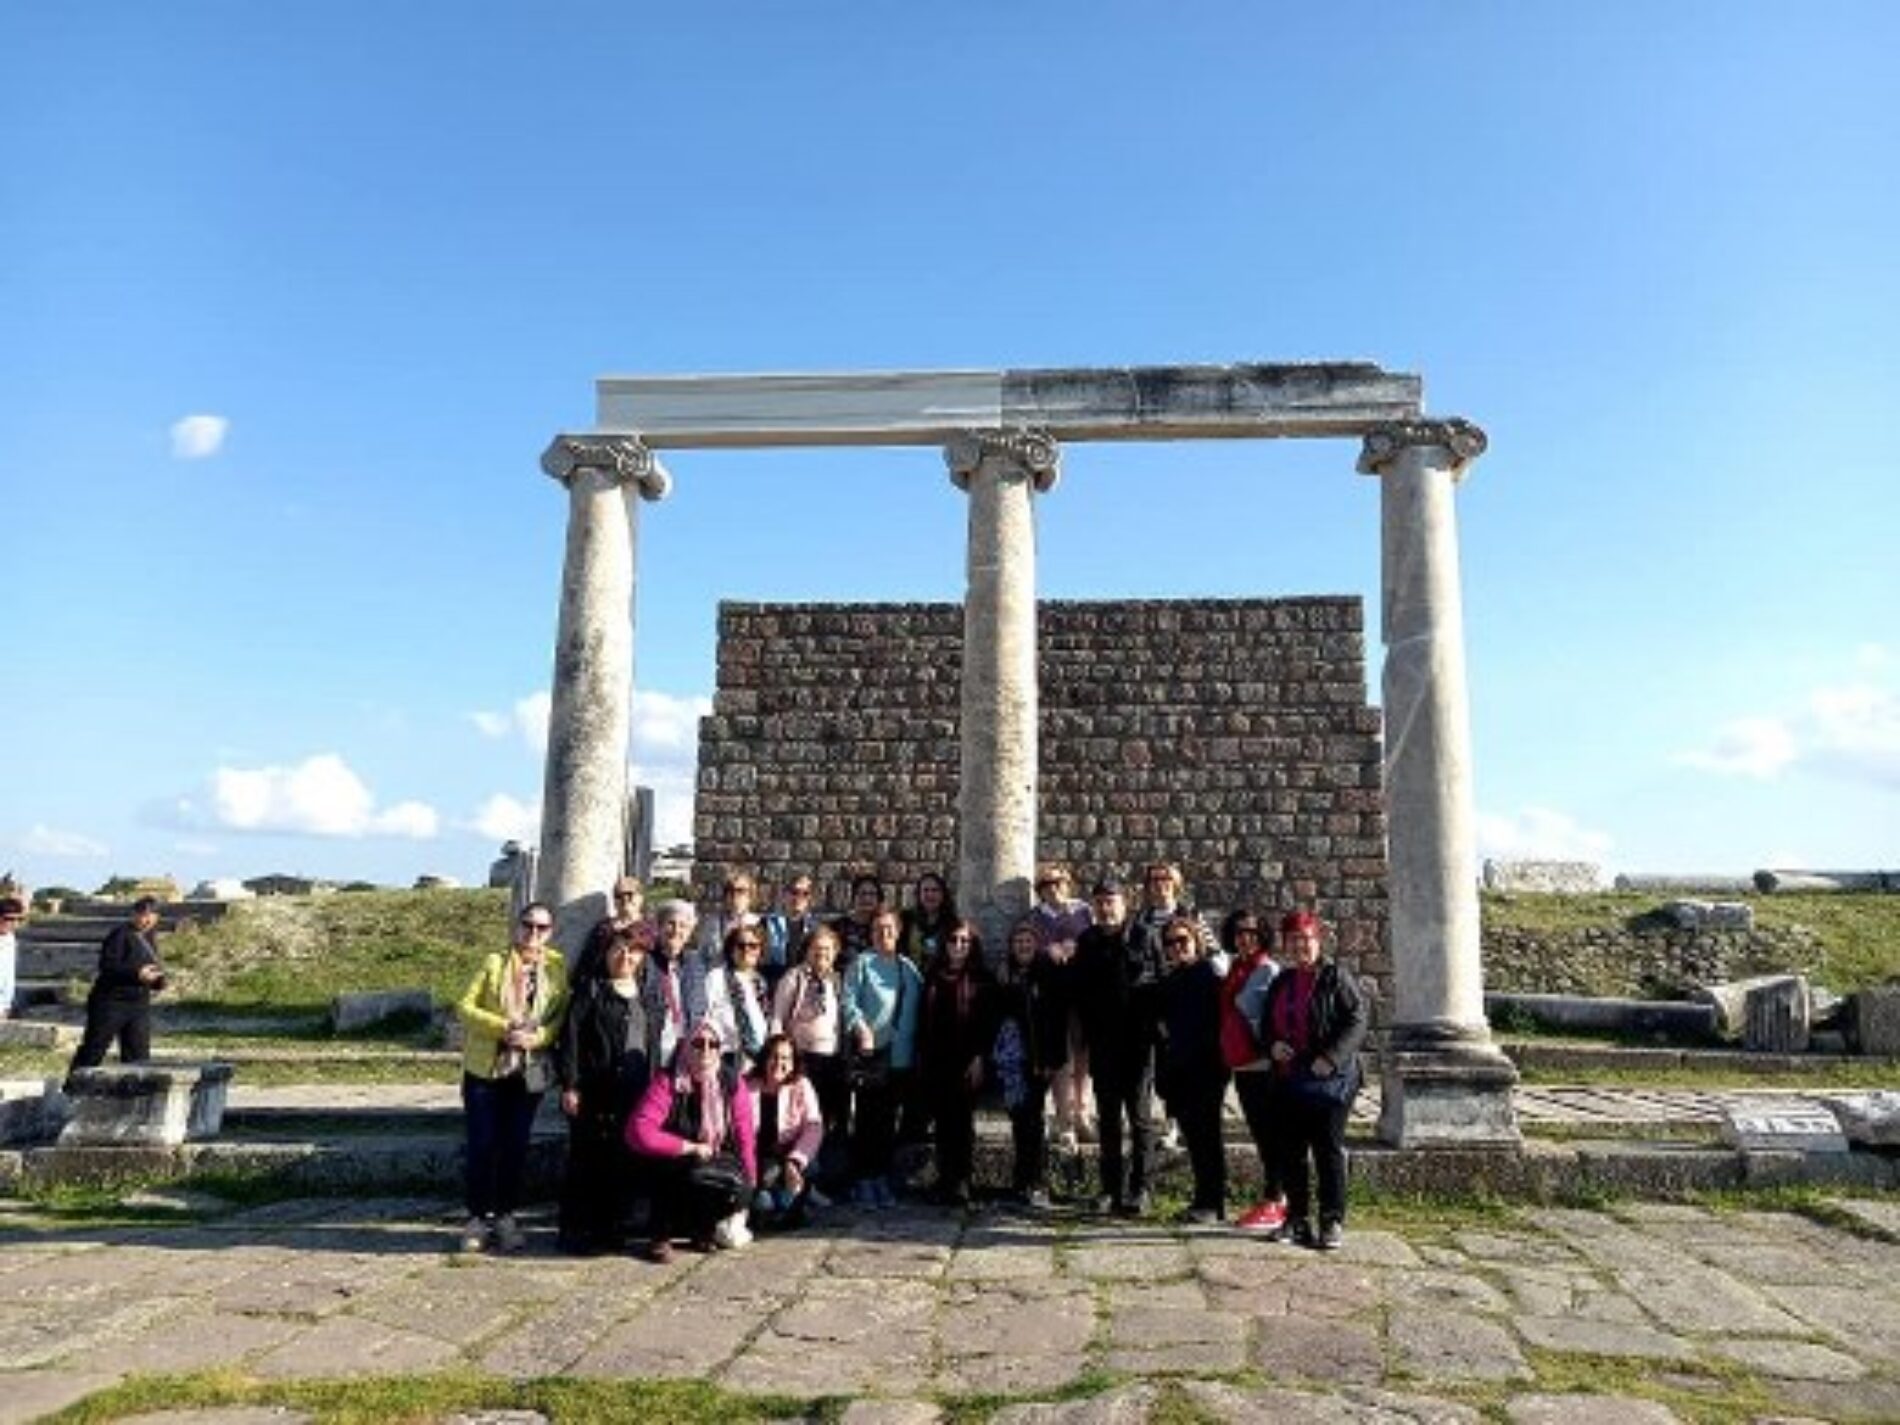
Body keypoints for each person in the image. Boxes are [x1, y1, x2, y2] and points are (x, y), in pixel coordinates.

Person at [456, 900, 570, 1253]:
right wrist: (503, 1027)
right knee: (482, 1144)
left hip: (528, 1072)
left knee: (515, 1147)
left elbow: (558, 1017)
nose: (533, 934)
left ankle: (505, 1216)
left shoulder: (556, 966)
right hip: (486, 1069)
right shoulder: (494, 962)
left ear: (550, 933)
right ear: (517, 927)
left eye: (541, 928)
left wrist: (537, 1038)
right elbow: (465, 1007)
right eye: (528, 925)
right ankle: (476, 1219)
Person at [1261, 910, 1368, 1251]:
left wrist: (1331, 1057)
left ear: (1318, 941)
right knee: (1291, 1152)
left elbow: (1357, 1019)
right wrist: (1272, 1044)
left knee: (1327, 1150)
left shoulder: (1337, 978)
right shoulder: (1282, 981)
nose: (1300, 946)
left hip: (1329, 1080)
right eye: (1293, 940)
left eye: (1306, 939)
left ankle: (1331, 1220)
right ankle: (1297, 1220)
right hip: (1290, 1079)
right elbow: (1266, 1024)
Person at [555, 924, 655, 1254]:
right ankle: (577, 1231)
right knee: (586, 1161)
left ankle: (613, 1230)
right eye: (618, 950)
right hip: (594, 1091)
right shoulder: (591, 990)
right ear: (607, 954)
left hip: (633, 1092)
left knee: (621, 1161)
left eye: (632, 951)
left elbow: (651, 1045)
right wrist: (570, 1085)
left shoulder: (646, 995)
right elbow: (570, 1038)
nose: (625, 957)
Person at [627, 1017, 758, 1262]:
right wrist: (688, 1147)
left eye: (713, 1044)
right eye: (698, 1043)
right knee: (667, 1169)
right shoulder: (667, 1081)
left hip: (715, 1156)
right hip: (674, 1159)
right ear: (686, 1045)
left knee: (730, 1184)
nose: (706, 1050)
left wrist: (749, 1184)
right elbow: (639, 1131)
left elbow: (745, 1135)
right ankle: (660, 1235)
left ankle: (701, 1228)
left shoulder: (732, 1082)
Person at [1072, 876, 1164, 1216]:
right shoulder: (1088, 940)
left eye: (1111, 901)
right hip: (1103, 1042)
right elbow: (1079, 990)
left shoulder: (1145, 936)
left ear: (1124, 904)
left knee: (1140, 1119)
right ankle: (1110, 1188)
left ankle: (1142, 1189)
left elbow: (1161, 983)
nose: (1105, 908)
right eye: (1099, 902)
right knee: (1108, 1120)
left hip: (1137, 1043)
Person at [840, 905, 921, 1208]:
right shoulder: (861, 964)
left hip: (900, 1059)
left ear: (898, 933)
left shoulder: (908, 968)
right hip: (872, 1056)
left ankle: (882, 1179)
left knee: (888, 1124)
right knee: (866, 1122)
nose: (883, 934)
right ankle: (864, 1181)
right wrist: (861, 1028)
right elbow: (848, 1002)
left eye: (889, 929)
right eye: (877, 929)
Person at [1157, 914, 1230, 1224]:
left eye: (1182, 940)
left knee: (1207, 1136)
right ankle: (1203, 1198)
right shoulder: (1172, 980)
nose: (1176, 948)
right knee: (1194, 1136)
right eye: (1170, 943)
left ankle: (1212, 1201)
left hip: (1206, 1067)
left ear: (1195, 942)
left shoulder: (1207, 975)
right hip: (1181, 1069)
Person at [991, 917, 1069, 1207]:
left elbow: (1056, 1020)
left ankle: (1036, 1182)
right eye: (1018, 942)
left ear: (1037, 945)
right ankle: (1021, 1182)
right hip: (1010, 1061)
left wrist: (1052, 1059)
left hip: (1038, 1059)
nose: (1023, 946)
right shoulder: (1004, 975)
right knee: (1019, 1121)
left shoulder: (1048, 974)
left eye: (1028, 942)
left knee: (1033, 1122)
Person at [1218, 908, 1287, 1232]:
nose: (1245, 938)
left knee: (1272, 1133)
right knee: (1261, 1133)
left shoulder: (1268, 970)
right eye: (1239, 932)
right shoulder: (1237, 968)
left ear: (1262, 936)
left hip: (1263, 1064)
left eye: (1251, 932)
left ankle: (1278, 1199)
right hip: (1243, 1063)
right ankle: (1273, 1196)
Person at [916, 919, 992, 1207]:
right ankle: (945, 1178)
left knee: (962, 1122)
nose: (958, 946)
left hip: (968, 1058)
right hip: (937, 1058)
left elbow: (988, 1022)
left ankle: (962, 1180)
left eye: (964, 941)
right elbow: (924, 1018)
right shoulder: (933, 975)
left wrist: (980, 1056)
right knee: (943, 1121)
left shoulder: (982, 978)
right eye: (953, 940)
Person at [771, 922, 848, 1188]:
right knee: (801, 1122)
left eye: (827, 950)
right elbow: (778, 1017)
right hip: (803, 1058)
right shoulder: (794, 978)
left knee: (825, 1120)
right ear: (807, 951)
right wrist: (778, 1056)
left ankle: (820, 1178)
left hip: (832, 1059)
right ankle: (799, 1179)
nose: (821, 955)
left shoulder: (836, 979)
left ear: (835, 952)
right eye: (816, 950)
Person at [1028, 863, 1093, 1152]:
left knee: (1083, 1056)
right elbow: (1026, 947)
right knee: (1060, 1059)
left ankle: (1082, 1112)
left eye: (1058, 882)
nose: (1053, 888)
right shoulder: (1034, 917)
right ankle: (1063, 1120)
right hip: (1051, 995)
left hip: (1082, 992)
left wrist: (1077, 948)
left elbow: (1095, 939)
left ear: (1068, 884)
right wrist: (1047, 951)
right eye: (1047, 884)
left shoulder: (1083, 911)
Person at [68, 896, 168, 1074]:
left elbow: (152, 966)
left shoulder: (150, 937)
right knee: (94, 1049)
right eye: (142, 914)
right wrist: (136, 973)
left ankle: (133, 1096)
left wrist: (158, 981)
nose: (146, 920)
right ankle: (73, 1090)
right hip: (110, 1002)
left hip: (138, 1004)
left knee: (138, 1055)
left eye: (150, 916)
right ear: (134, 915)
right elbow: (108, 966)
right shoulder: (119, 934)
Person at [746, 1032, 824, 1230]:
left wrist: (794, 1160)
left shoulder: (801, 1085)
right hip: (756, 1154)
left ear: (793, 1062)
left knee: (809, 1168)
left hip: (789, 1152)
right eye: (774, 1056)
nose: (778, 1063)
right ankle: (766, 1204)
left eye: (785, 1058)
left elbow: (814, 1127)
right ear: (764, 1058)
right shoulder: (747, 1084)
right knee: (765, 1184)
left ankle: (791, 1209)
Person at [687, 923, 772, 1072]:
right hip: (726, 1055)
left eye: (753, 945)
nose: (747, 950)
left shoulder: (760, 982)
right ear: (731, 949)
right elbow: (702, 1017)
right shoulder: (717, 977)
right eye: (741, 945)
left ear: (760, 950)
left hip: (757, 1056)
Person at [643, 900, 695, 1069]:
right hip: (653, 1047)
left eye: (683, 926)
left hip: (687, 1048)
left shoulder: (695, 964)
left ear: (689, 933)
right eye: (670, 924)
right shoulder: (646, 961)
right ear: (658, 927)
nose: (676, 930)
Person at [571, 875, 649, 985]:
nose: (625, 899)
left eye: (630, 894)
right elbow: (586, 964)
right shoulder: (602, 929)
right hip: (605, 992)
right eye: (619, 895)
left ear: (640, 898)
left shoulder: (652, 929)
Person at [761, 873, 822, 991]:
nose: (798, 898)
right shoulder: (767, 924)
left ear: (810, 898)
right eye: (794, 892)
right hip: (774, 988)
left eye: (805, 894)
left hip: (805, 991)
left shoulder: (815, 928)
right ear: (785, 894)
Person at [697, 871, 761, 962]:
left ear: (750, 896)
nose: (735, 895)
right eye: (730, 890)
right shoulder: (712, 924)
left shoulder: (759, 924)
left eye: (740, 891)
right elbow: (701, 956)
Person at [899, 871, 958, 968]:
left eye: (935, 890)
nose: (930, 895)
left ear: (943, 894)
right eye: (926, 890)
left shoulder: (952, 923)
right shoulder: (906, 919)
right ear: (919, 894)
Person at [831, 873, 884, 968]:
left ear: (878, 899)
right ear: (853, 897)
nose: (867, 899)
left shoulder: (883, 928)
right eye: (862, 894)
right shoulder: (837, 927)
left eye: (872, 894)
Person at [0, 894, 23, 1021]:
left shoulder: (10, 939)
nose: (14, 924)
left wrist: (5, 1005)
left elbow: (8, 975)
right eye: (9, 919)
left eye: (18, 920)